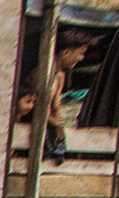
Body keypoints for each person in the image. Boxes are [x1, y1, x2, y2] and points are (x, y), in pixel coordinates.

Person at [20, 29, 99, 165]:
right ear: (66, 52)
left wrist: (59, 126)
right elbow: (34, 108)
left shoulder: (60, 75)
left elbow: (56, 107)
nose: (82, 58)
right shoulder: (42, 74)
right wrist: (56, 124)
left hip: (46, 131)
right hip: (27, 136)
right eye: (80, 53)